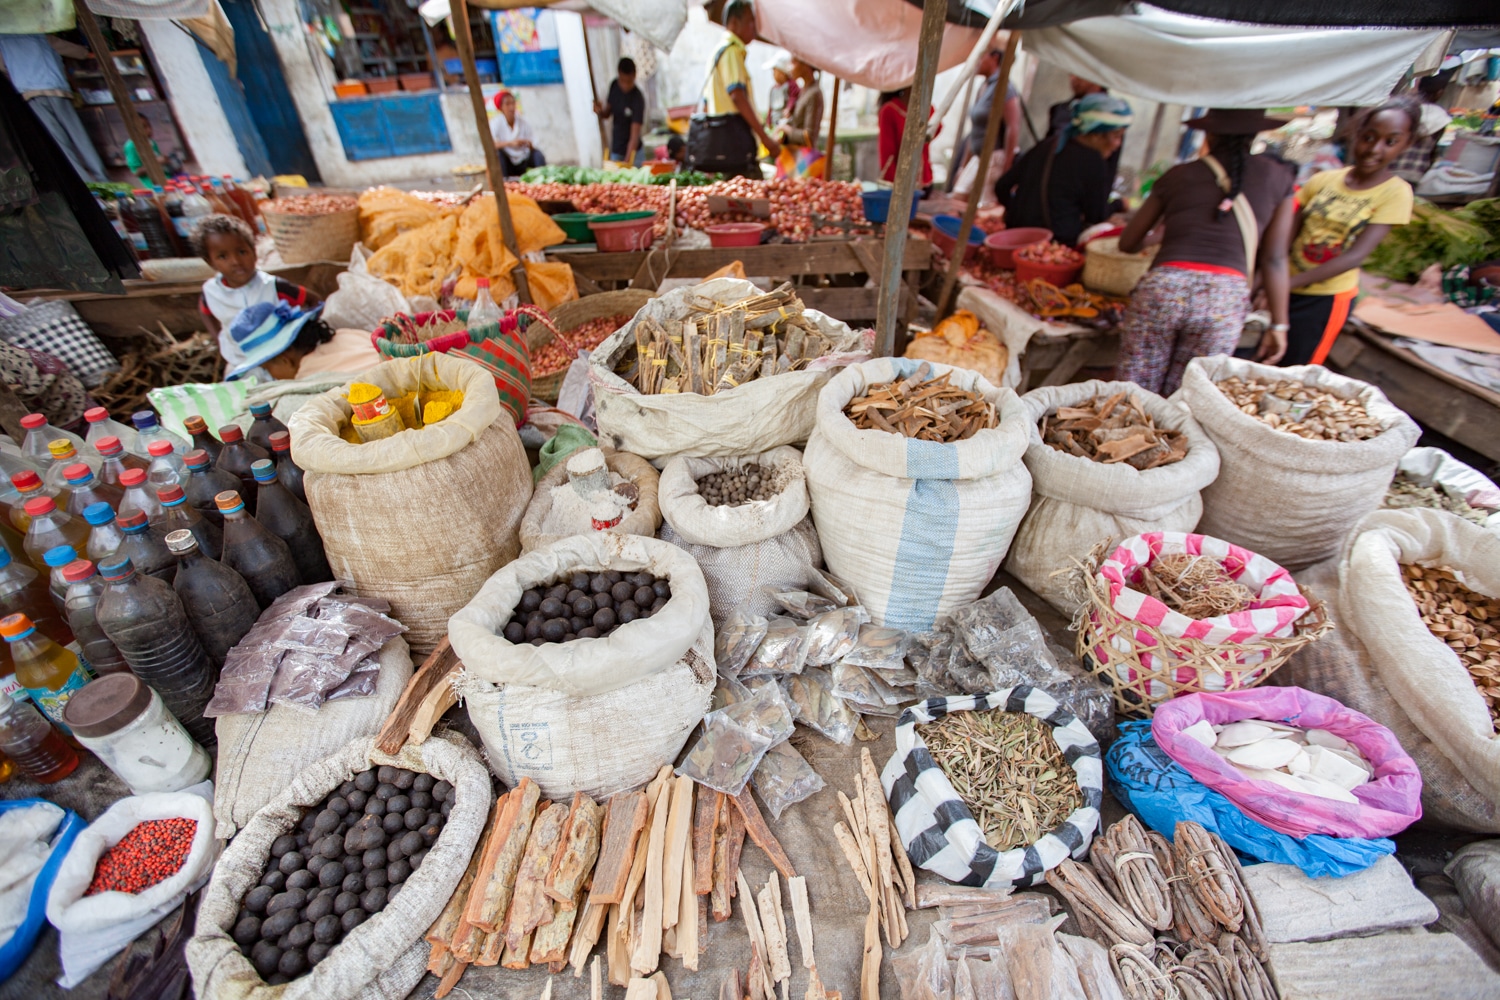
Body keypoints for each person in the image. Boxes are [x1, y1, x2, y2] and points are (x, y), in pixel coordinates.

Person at [1114, 109, 1297, 396]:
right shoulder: (1279, 178)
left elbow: (1128, 243)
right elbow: (1275, 258)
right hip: (1223, 300)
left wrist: (1165, 234)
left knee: (1133, 393)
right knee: (1186, 397)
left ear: (1209, 133)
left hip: (1164, 291)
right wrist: (1279, 324)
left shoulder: (1178, 175)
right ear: (1254, 134)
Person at [1266, 97, 1417, 368]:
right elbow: (1285, 237)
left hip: (1324, 298)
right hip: (1283, 287)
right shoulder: (1323, 180)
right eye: (1369, 138)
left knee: (1294, 371)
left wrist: (1282, 285)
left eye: (1390, 142)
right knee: (1261, 360)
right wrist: (1264, 282)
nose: (1374, 149)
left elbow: (1354, 257)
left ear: (1407, 144)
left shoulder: (1396, 193)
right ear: (1357, 135)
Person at [992, 92, 1132, 247]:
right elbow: (1097, 215)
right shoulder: (1093, 161)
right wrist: (1119, 204)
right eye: (1116, 136)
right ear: (1096, 135)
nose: (1118, 144)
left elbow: (1002, 186)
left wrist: (1017, 211)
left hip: (1016, 237)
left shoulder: (1047, 145)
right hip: (1055, 245)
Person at [193, 214, 321, 369]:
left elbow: (314, 300)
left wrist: (304, 332)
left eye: (242, 252)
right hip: (239, 359)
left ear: (254, 252)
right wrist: (218, 338)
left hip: (278, 358)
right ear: (210, 262)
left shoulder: (273, 286)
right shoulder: (211, 292)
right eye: (222, 256)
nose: (235, 261)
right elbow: (205, 311)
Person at [685, 0, 780, 179]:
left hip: (724, 148)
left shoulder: (717, 52)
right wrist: (765, 139)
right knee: (751, 197)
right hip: (736, 146)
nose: (754, 27)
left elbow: (707, 104)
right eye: (750, 21)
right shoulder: (731, 52)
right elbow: (737, 96)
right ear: (734, 23)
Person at [0, 33, 107, 182]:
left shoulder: (2, 40)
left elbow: (3, 68)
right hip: (55, 89)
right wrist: (84, 50)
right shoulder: (38, 34)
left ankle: (86, 183)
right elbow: (76, 51)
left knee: (60, 143)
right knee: (78, 135)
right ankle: (102, 178)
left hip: (30, 94)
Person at [223, 301, 380, 381]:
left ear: (285, 360)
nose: (272, 376)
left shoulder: (308, 378)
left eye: (267, 369)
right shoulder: (344, 334)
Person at [951, 48, 1021, 184]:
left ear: (994, 58)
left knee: (982, 204)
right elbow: (974, 132)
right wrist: (963, 167)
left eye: (981, 57)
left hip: (993, 159)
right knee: (957, 197)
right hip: (977, 158)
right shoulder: (984, 87)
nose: (976, 62)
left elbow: (1013, 127)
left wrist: (1006, 168)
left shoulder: (1004, 87)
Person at [1390, 73, 1452, 184]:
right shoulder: (1440, 117)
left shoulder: (1405, 108)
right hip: (1414, 172)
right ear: (1440, 92)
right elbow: (1434, 150)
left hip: (1388, 169)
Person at [878, 89, 940, 197]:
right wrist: (896, 188)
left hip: (925, 181)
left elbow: (937, 129)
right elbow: (887, 155)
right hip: (900, 186)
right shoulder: (890, 110)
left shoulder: (928, 109)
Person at [595, 57, 646, 166]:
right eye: (622, 81)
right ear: (618, 74)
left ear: (634, 76)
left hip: (634, 154)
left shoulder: (637, 98)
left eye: (629, 82)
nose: (625, 85)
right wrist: (599, 111)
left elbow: (634, 136)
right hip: (616, 150)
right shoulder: (614, 86)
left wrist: (627, 163)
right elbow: (607, 114)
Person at [491, 90, 544, 177]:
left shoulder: (523, 122)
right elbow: (490, 144)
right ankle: (504, 182)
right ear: (500, 107)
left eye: (513, 103)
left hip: (523, 159)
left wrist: (527, 143)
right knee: (497, 154)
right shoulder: (496, 123)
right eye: (507, 104)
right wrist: (510, 143)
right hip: (508, 163)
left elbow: (533, 142)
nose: (511, 107)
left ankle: (542, 180)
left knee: (537, 154)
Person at [777, 58, 823, 151]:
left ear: (805, 65)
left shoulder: (814, 93)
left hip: (804, 160)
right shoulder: (804, 90)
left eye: (793, 62)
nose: (790, 67)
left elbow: (809, 137)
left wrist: (785, 128)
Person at [122, 114, 181, 181]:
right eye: (144, 127)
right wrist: (156, 162)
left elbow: (160, 162)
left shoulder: (151, 142)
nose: (149, 130)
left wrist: (168, 161)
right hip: (154, 185)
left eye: (149, 125)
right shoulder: (131, 146)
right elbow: (136, 172)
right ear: (133, 130)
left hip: (167, 178)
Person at [766, 53, 798, 132]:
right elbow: (770, 108)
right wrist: (768, 120)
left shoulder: (791, 85)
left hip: (785, 124)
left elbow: (794, 96)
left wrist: (789, 108)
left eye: (774, 71)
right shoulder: (773, 89)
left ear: (782, 73)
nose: (773, 74)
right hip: (775, 122)